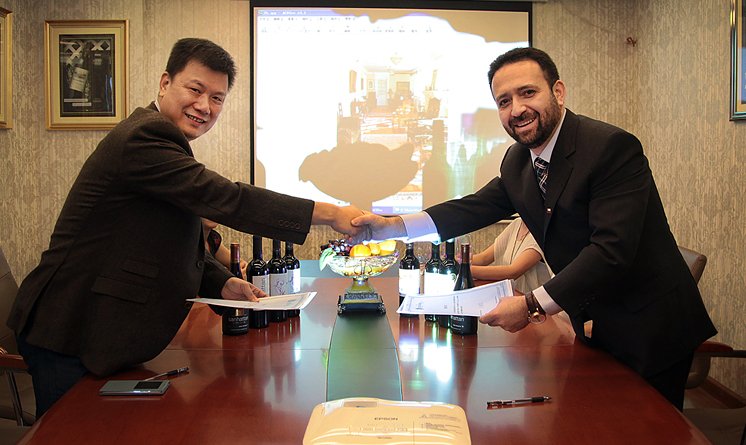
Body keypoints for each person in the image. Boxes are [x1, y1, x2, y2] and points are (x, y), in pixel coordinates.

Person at [7, 38, 363, 418]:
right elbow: (229, 199)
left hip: (98, 333)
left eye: (217, 98)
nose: (204, 106)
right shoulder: (144, 137)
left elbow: (169, 236)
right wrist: (331, 213)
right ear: (165, 83)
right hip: (72, 329)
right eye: (195, 89)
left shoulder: (166, 141)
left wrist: (221, 282)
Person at [351, 47, 716, 410]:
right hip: (593, 321)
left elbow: (611, 251)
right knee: (593, 421)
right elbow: (472, 208)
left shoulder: (610, 148)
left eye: (528, 93)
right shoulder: (518, 160)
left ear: (558, 92)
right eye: (504, 101)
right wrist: (391, 227)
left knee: (647, 427)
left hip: (651, 325)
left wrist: (530, 305)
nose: (517, 109)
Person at [470, 217, 551, 294]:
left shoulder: (542, 231)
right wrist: (463, 259)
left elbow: (512, 272)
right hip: (511, 296)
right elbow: (484, 258)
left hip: (530, 301)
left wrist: (467, 270)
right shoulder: (517, 223)